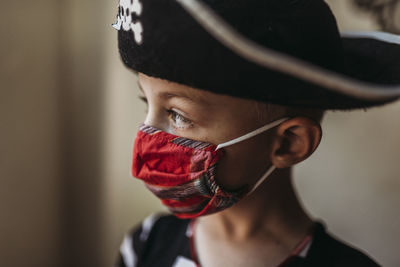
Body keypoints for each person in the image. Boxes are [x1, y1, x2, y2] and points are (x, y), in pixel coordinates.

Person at [112, 0, 400, 266]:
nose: (146, 138)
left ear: (289, 143)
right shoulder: (146, 245)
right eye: (146, 103)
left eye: (177, 115)